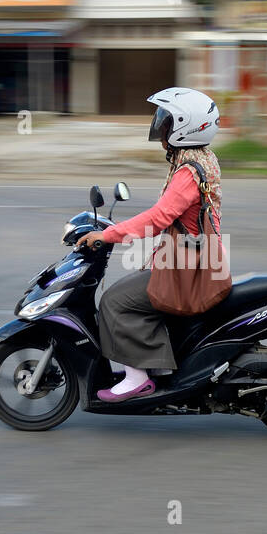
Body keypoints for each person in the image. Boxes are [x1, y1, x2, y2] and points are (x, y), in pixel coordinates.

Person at [76, 88, 224, 402]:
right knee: (134, 291)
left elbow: (159, 217)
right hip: (195, 259)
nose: (161, 130)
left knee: (115, 301)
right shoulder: (202, 159)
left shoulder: (188, 172)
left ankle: (137, 377)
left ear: (186, 127)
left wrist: (109, 235)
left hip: (186, 267)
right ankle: (157, 364)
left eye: (167, 123)